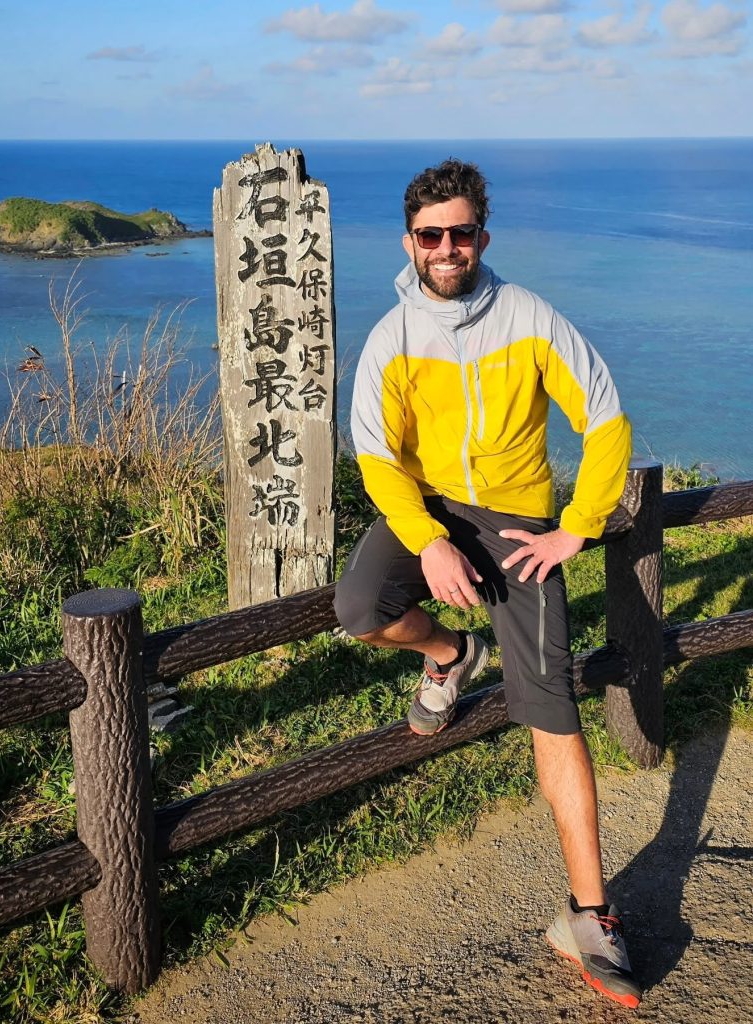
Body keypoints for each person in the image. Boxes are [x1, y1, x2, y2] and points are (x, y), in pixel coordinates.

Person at [333, 159, 641, 1009]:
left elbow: (605, 413)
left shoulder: (531, 317)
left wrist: (578, 522)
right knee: (359, 607)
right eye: (430, 235)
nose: (446, 248)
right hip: (427, 508)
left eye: (461, 232)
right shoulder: (393, 338)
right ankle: (446, 652)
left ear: (482, 237)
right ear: (410, 242)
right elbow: (376, 456)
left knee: (550, 704)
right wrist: (428, 540)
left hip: (516, 521)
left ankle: (590, 914)